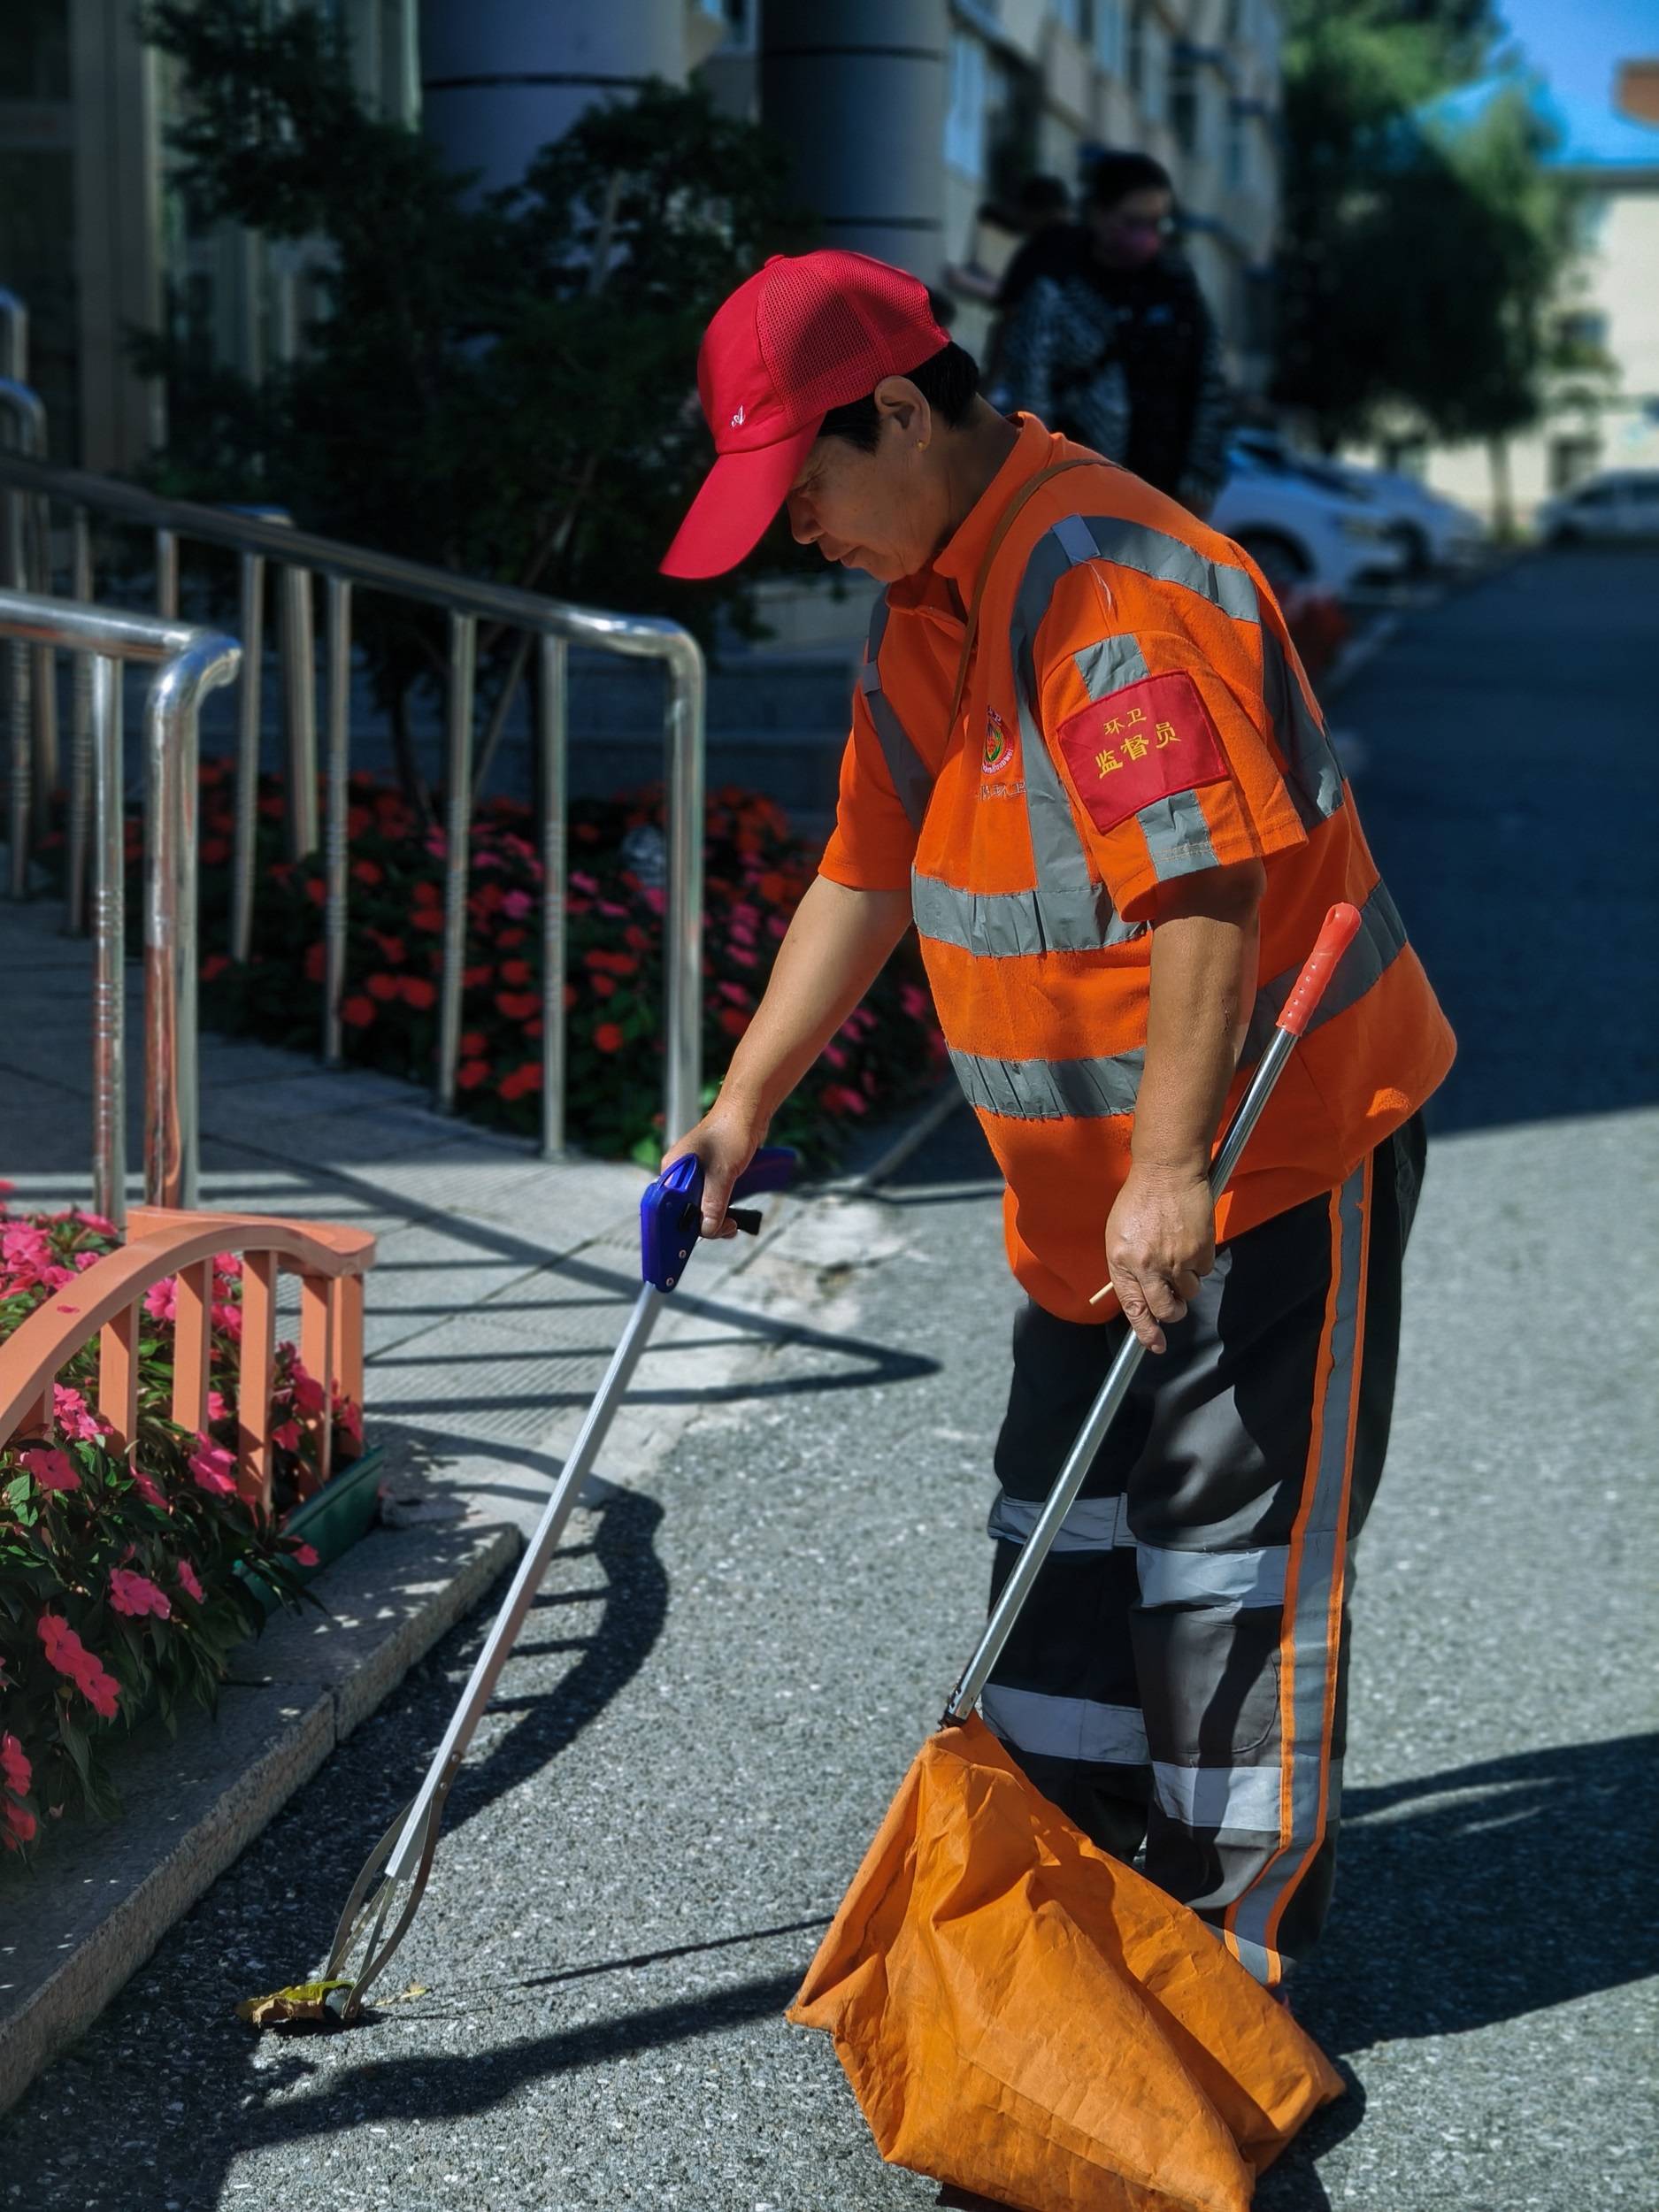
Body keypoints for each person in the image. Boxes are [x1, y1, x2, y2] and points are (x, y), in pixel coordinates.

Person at [658, 251, 1453, 2018]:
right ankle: (1079, 1924)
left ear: (894, 414)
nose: (797, 534)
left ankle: (1222, 1981)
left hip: (1261, 1156)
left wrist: (1172, 1174)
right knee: (1066, 1547)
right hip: (1093, 1197)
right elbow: (865, 865)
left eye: (804, 492)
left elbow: (1199, 891)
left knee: (1223, 1573)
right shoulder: (930, 597)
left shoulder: (1091, 587)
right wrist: (740, 1104)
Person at [998, 150, 1233, 515]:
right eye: (1134, 222)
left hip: (1165, 499)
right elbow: (1030, 391)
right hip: (1081, 499)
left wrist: (1199, 482)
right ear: (1099, 215)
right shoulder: (1056, 288)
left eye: (1158, 223)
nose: (1148, 236)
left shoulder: (1178, 288)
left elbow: (1210, 387)